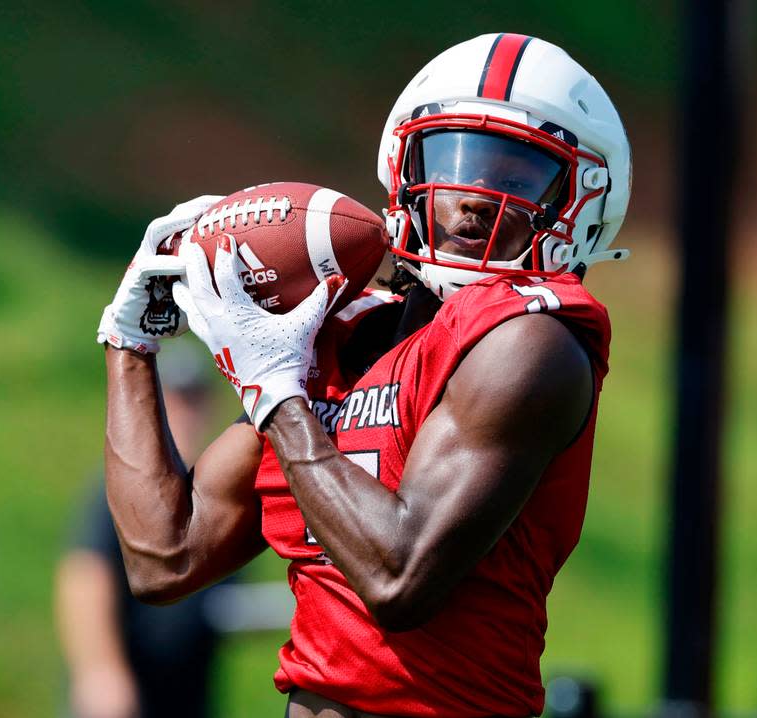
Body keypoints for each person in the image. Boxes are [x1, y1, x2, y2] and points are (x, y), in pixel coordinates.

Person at [95, 33, 631, 718]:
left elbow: (399, 577)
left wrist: (276, 394)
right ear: (402, 165)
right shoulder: (344, 335)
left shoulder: (531, 344)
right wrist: (128, 339)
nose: (472, 195)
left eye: (516, 175)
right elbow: (165, 556)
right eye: (454, 159)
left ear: (580, 201)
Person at [55, 340, 222, 718]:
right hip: (125, 695)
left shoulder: (217, 489)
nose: (185, 413)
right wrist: (100, 670)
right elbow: (86, 575)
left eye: (194, 399)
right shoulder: (126, 485)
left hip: (186, 695)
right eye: (174, 400)